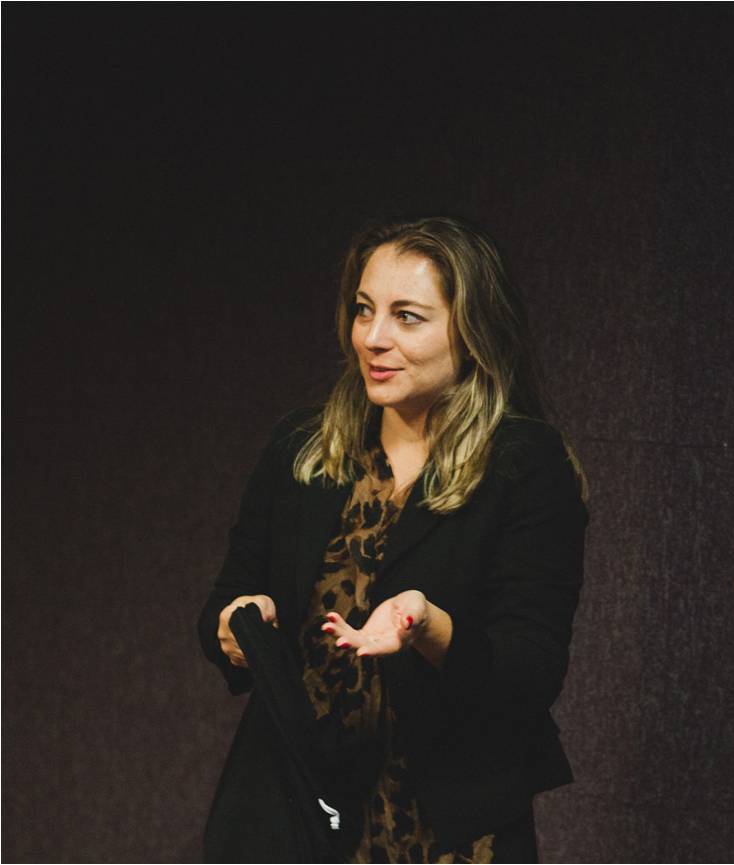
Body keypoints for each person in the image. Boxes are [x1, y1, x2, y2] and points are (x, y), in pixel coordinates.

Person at [198, 216, 587, 863]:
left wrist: (426, 623)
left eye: (407, 317)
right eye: (363, 310)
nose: (373, 338)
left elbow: (530, 669)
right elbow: (228, 595)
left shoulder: (524, 465)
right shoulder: (303, 450)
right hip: (299, 812)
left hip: (446, 826)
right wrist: (238, 627)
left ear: (472, 329)